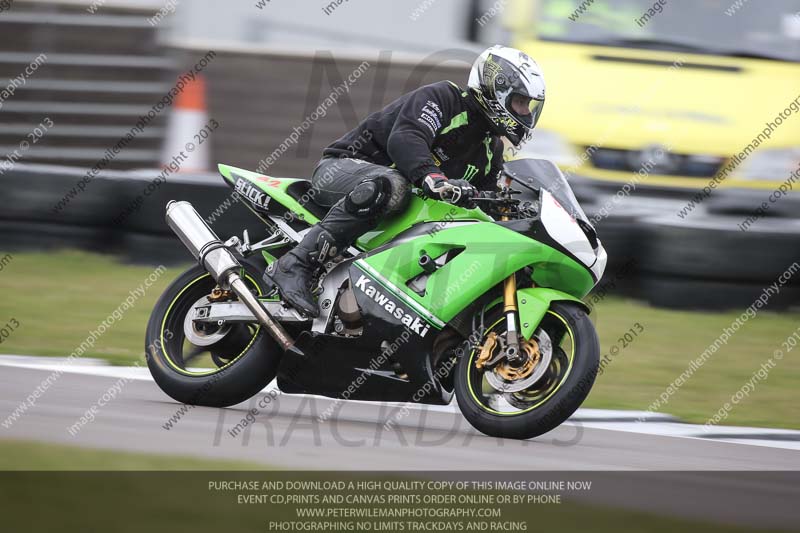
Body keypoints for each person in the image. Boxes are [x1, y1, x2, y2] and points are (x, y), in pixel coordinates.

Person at [264, 45, 546, 318]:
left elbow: (488, 201)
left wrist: (521, 216)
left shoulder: (491, 149)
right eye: (520, 102)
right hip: (342, 171)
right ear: (495, 90)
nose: (525, 113)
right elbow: (406, 137)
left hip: (399, 213)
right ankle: (295, 263)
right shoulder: (445, 98)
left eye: (528, 106)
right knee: (391, 186)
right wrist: (433, 178)